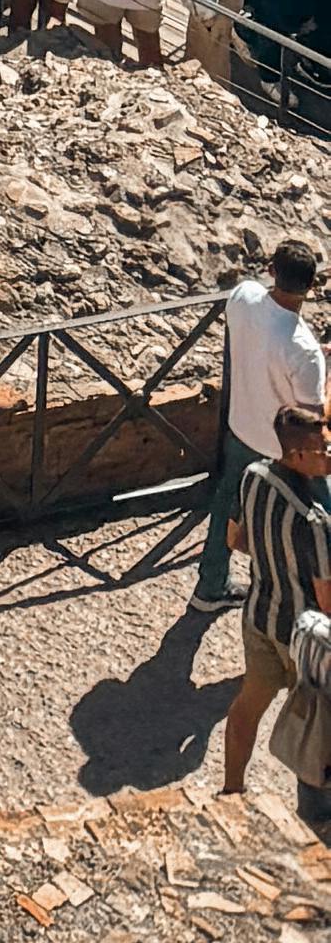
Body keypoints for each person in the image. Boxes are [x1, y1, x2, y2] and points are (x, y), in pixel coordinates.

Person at [205, 242, 329, 608]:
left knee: (226, 506)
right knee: (323, 516)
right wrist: (325, 378)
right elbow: (310, 422)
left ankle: (210, 585)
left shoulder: (242, 297)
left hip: (241, 427)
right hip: (283, 450)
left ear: (272, 271)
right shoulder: (303, 349)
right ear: (312, 286)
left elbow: (263, 345)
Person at [220, 391, 331, 802]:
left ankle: (231, 788)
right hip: (304, 642)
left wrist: (277, 556)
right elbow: (326, 602)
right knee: (317, 724)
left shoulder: (253, 476)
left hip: (260, 618)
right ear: (299, 455)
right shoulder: (314, 521)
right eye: (322, 450)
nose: (329, 455)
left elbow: (235, 539)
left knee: (248, 706)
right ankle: (314, 812)